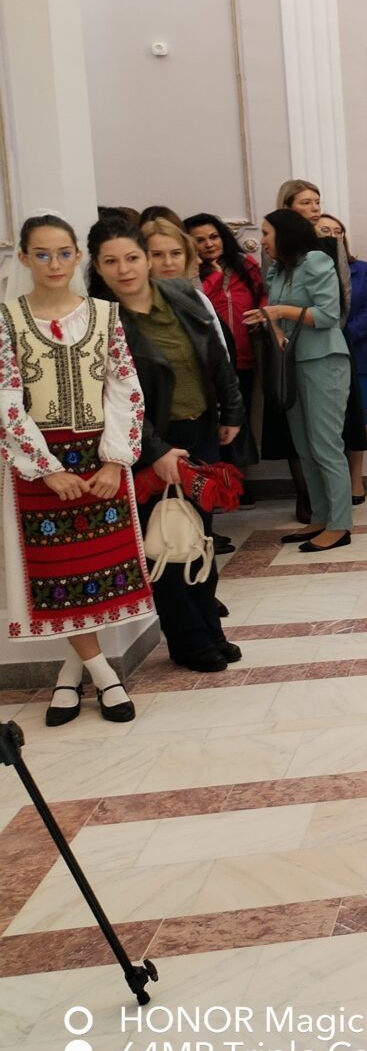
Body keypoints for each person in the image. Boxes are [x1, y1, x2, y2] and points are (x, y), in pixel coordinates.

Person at [0, 214, 152, 725]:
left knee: (97, 576)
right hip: (37, 466)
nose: (55, 264)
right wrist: (45, 469)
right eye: (42, 254)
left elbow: (125, 388)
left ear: (78, 256)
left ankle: (70, 675)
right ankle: (106, 677)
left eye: (64, 253)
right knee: (58, 576)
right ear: (24, 258)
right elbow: (5, 400)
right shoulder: (6, 319)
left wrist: (114, 460)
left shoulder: (105, 315)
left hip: (100, 458)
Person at [91, 218, 248, 673]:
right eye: (111, 262)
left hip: (202, 433)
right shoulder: (100, 319)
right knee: (166, 544)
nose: (124, 269)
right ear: (97, 268)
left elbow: (216, 355)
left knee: (199, 537)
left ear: (145, 258)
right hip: (152, 444)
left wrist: (232, 411)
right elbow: (112, 396)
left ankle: (211, 629)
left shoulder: (179, 295)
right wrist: (156, 450)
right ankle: (187, 640)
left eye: (132, 258)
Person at [247, 210, 353, 550]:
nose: (262, 240)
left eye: (266, 233)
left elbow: (328, 314)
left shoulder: (316, 261)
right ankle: (320, 517)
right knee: (305, 448)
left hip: (324, 360)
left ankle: (340, 524)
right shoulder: (279, 269)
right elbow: (277, 311)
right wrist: (274, 324)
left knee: (325, 446)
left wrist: (279, 312)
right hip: (291, 362)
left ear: (285, 233)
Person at [185, 213, 266, 491]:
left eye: (214, 237)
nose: (209, 244)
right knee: (211, 426)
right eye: (200, 240)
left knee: (239, 422)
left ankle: (237, 486)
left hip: (244, 355)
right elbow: (195, 301)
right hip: (207, 362)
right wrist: (215, 277)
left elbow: (263, 293)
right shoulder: (190, 273)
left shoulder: (246, 264)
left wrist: (263, 313)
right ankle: (213, 487)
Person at [317, 213, 367, 497]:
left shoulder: (361, 268)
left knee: (357, 421)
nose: (333, 236)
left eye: (338, 231)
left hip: (356, 351)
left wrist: (343, 334)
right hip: (320, 353)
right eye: (325, 231)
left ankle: (356, 479)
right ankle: (331, 484)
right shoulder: (309, 270)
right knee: (326, 423)